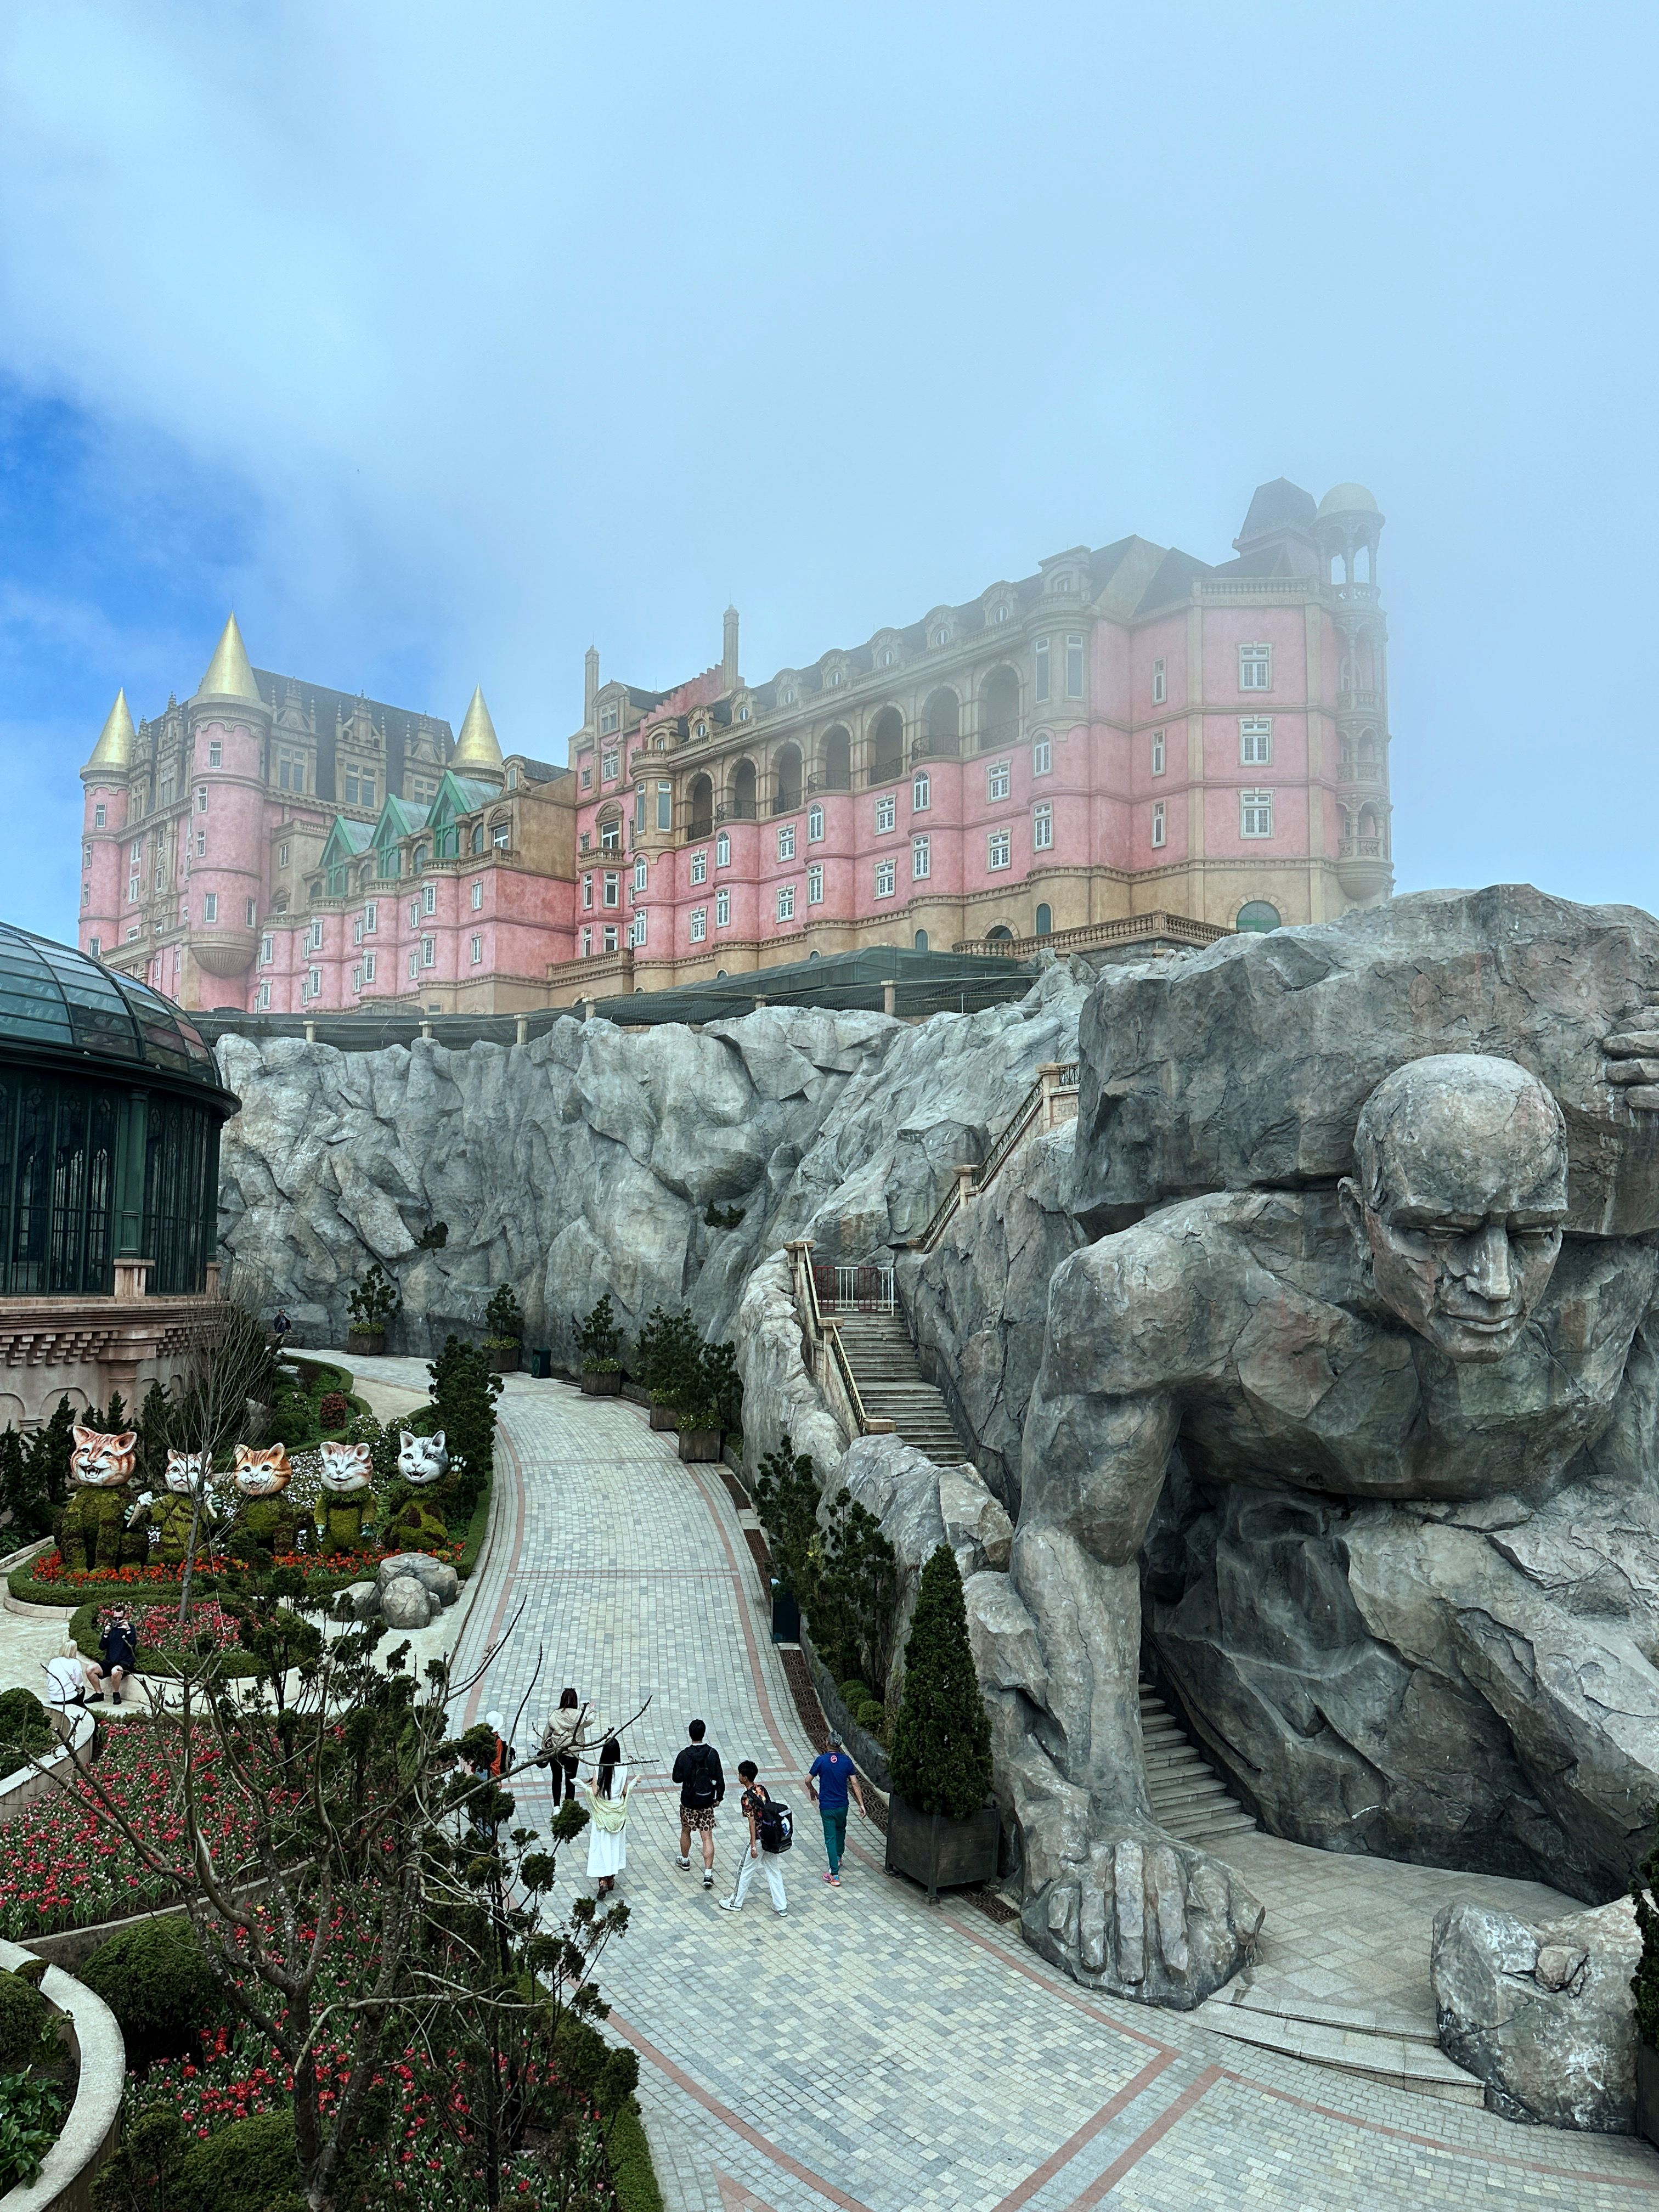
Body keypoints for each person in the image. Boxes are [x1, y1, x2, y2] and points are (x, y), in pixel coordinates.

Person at [717, 1760, 788, 1917]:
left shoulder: (746, 1797)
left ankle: (735, 1903)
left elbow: (752, 1821)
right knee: (773, 1870)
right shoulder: (761, 1789)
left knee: (745, 1869)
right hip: (771, 1837)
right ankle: (781, 1906)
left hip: (759, 1838)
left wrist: (753, 1844)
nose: (738, 1776)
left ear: (745, 1777)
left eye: (740, 1774)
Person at [805, 1730, 865, 1886]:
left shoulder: (821, 1761)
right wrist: (861, 1804)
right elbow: (855, 1783)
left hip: (827, 1807)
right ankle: (838, 1856)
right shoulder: (846, 1761)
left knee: (830, 1839)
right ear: (840, 1745)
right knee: (841, 1830)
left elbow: (807, 1779)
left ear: (827, 1743)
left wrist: (811, 1789)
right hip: (842, 1805)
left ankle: (834, 1874)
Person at [671, 1717, 724, 1890]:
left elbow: (676, 1778)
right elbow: (719, 1777)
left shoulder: (684, 1755)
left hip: (689, 1802)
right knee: (707, 1837)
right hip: (707, 1802)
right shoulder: (712, 1753)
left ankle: (685, 1860)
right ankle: (708, 1874)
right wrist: (719, 1797)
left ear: (690, 1734)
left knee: (686, 1830)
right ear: (704, 1733)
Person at [584, 1735, 631, 1899]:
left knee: (601, 1847)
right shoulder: (623, 1768)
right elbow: (624, 1791)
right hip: (617, 1814)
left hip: (602, 1814)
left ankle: (602, 1881)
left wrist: (591, 1784)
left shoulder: (599, 1768)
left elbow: (595, 1792)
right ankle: (611, 1878)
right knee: (614, 1846)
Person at [539, 1687, 591, 1804]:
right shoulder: (579, 1716)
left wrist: (544, 1749)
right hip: (572, 1753)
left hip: (556, 1751)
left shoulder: (555, 1714)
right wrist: (592, 1710)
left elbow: (546, 1733)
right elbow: (590, 1720)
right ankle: (569, 1806)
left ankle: (556, 1806)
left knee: (556, 1779)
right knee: (571, 1781)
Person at [86, 1605, 138, 1706]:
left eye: (120, 1618)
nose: (117, 1620)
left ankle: (116, 1693)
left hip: (125, 1661)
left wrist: (127, 1630)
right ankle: (99, 1693)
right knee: (90, 1669)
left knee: (115, 1671)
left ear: (124, 1617)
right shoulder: (111, 1629)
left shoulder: (130, 1628)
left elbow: (132, 1644)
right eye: (115, 1618)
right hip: (110, 1661)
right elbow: (102, 1647)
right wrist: (106, 1633)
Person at [42, 1638, 88, 1711]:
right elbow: (78, 1682)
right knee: (82, 1690)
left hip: (53, 1698)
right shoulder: (75, 1662)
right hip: (67, 1698)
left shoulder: (53, 1661)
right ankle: (80, 1707)